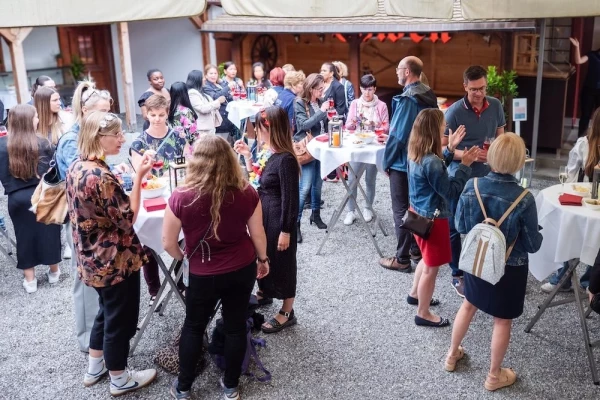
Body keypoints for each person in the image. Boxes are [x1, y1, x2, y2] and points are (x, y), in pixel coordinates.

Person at [164, 134, 269, 399]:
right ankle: (231, 388)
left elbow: (167, 243)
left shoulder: (181, 195)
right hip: (241, 267)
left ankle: (184, 387)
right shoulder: (246, 191)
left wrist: (185, 257)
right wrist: (263, 259)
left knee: (194, 326)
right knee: (234, 326)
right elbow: (257, 234)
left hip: (203, 271)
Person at [66, 111, 157, 396]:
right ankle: (119, 378)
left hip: (91, 258)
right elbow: (128, 217)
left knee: (105, 313)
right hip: (113, 260)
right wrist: (140, 176)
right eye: (115, 134)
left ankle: (96, 367)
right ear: (98, 138)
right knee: (121, 319)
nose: (122, 138)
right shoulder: (100, 176)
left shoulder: (77, 167)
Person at [445, 133, 542, 391]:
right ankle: (493, 375)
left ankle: (452, 355)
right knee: (502, 319)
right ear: (520, 161)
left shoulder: (472, 185)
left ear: (491, 155)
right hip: (510, 267)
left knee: (468, 305)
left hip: (478, 259)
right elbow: (533, 245)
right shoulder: (525, 198)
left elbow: (460, 225)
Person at [406, 109, 478, 327]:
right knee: (431, 268)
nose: (444, 130)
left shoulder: (416, 153)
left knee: (426, 260)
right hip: (434, 221)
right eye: (442, 127)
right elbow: (452, 191)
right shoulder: (432, 162)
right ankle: (423, 313)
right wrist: (465, 166)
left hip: (417, 215)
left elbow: (434, 173)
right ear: (433, 131)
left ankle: (415, 295)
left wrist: (451, 149)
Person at [56, 80, 112, 352]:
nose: (108, 117)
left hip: (95, 223)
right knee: (84, 281)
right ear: (86, 111)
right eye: (103, 111)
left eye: (110, 110)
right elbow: (82, 189)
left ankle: (102, 334)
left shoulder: (93, 136)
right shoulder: (71, 140)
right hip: (80, 223)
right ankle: (89, 340)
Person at [234, 106, 300, 333]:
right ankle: (265, 292)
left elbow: (291, 200)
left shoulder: (286, 159)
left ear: (271, 129)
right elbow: (259, 177)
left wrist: (287, 230)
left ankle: (287, 311)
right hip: (263, 215)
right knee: (264, 254)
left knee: (284, 261)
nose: (255, 131)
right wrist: (248, 157)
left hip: (279, 216)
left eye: (259, 127)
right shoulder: (267, 151)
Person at [443, 65, 506, 297]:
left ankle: (480, 268)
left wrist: (498, 155)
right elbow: (442, 148)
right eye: (473, 90)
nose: (479, 93)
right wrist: (467, 154)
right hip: (459, 177)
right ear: (465, 87)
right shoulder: (453, 112)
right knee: (454, 227)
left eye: (482, 88)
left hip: (488, 176)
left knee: (484, 224)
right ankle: (456, 273)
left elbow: (501, 138)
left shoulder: (496, 106)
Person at [380, 56, 438, 272]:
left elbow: (397, 136)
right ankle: (416, 250)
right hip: (422, 159)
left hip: (402, 162)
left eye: (398, 68)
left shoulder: (408, 99)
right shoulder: (429, 94)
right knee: (414, 207)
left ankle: (402, 258)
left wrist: (386, 161)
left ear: (407, 72)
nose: (396, 72)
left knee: (400, 209)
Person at [0, 104, 61, 293]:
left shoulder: (2, 146)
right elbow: (54, 173)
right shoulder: (43, 143)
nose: (38, 120)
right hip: (42, 194)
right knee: (49, 232)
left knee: (23, 236)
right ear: (28, 121)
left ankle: (30, 280)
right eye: (35, 117)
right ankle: (54, 272)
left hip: (16, 197)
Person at [131, 94, 186, 301]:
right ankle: (154, 289)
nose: (156, 118)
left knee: (182, 236)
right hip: (151, 194)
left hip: (175, 192)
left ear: (167, 113)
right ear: (146, 114)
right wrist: (146, 167)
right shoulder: (139, 142)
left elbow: (185, 164)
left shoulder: (177, 136)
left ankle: (180, 282)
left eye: (160, 115)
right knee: (147, 243)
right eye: (152, 114)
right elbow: (139, 176)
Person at [540, 108, 600, 293]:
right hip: (582, 201)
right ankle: (563, 277)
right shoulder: (584, 144)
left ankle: (589, 281)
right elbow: (571, 176)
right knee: (570, 230)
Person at [343, 74, 389, 225]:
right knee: (352, 179)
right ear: (360, 89)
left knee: (370, 179)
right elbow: (348, 125)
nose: (367, 93)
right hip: (358, 145)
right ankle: (351, 211)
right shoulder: (355, 104)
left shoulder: (381, 105)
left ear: (374, 89)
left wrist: (373, 125)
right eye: (364, 89)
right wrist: (353, 122)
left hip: (373, 146)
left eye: (370, 89)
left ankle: (368, 207)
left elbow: (386, 127)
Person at [294, 73, 331, 241]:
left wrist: (330, 116)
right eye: (320, 89)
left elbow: (323, 124)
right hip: (307, 148)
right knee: (304, 187)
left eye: (323, 88)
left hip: (321, 146)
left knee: (318, 184)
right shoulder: (299, 103)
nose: (322, 91)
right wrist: (322, 112)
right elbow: (303, 125)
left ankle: (315, 215)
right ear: (311, 89)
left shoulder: (321, 101)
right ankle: (295, 223)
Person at [570, 37, 600, 138]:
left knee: (599, 117)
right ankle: (581, 140)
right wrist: (577, 47)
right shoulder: (592, 55)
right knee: (585, 116)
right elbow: (578, 61)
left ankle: (597, 141)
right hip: (589, 90)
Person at [203, 64, 239, 144]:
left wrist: (231, 95)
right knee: (221, 145)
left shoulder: (220, 84)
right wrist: (228, 88)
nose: (213, 75)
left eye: (215, 73)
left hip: (228, 118)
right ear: (206, 75)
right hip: (219, 120)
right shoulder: (206, 86)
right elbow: (215, 97)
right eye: (211, 73)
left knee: (230, 145)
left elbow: (227, 98)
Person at [186, 69, 225, 136]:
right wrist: (218, 101)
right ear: (197, 79)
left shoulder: (200, 91)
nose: (204, 79)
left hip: (209, 127)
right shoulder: (192, 93)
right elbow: (202, 108)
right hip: (202, 130)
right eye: (203, 77)